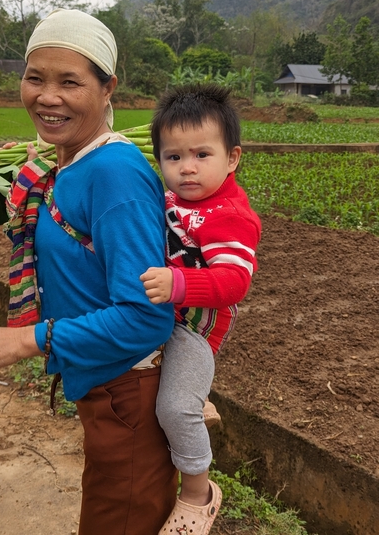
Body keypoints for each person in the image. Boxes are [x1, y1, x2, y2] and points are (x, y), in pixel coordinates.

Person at [0, 8, 178, 534]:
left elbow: (146, 319)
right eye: (35, 78)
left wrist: (29, 338)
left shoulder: (114, 174)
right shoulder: (66, 163)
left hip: (129, 398)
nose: (47, 97)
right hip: (103, 391)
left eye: (69, 82)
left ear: (107, 88)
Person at [140, 83, 261, 535]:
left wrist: (178, 283)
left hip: (193, 329)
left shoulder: (229, 214)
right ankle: (197, 397)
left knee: (172, 408)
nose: (187, 168)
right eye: (173, 158)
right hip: (161, 315)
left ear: (232, 158)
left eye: (201, 155)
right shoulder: (169, 198)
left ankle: (198, 493)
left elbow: (234, 283)